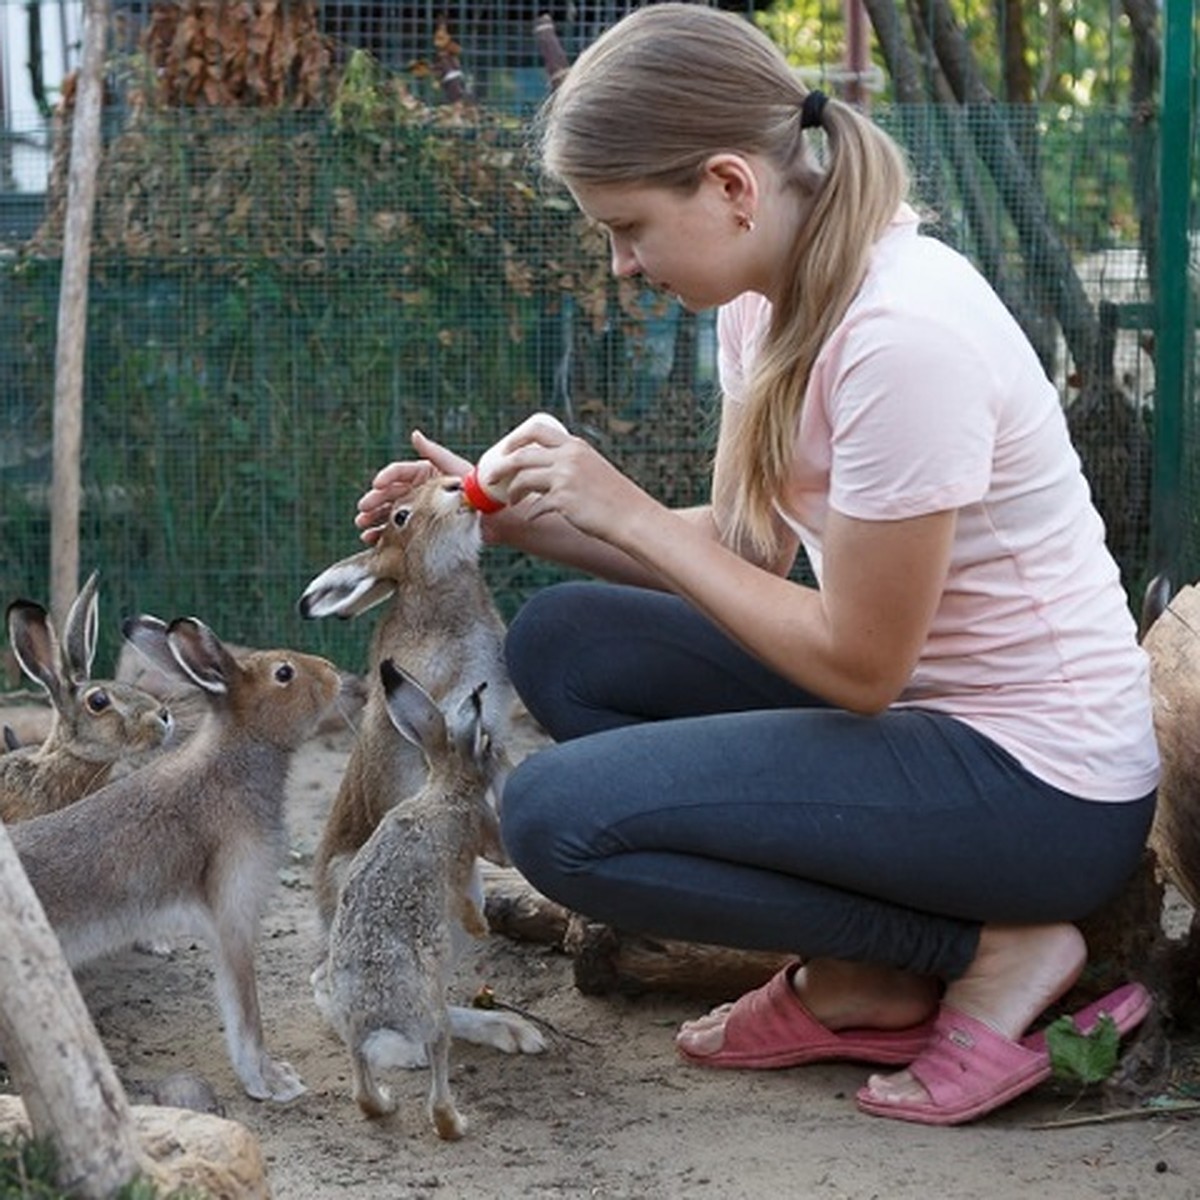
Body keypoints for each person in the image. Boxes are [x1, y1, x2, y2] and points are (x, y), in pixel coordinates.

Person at [354, 2, 1159, 1126]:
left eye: (629, 227)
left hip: (1038, 794)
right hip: (924, 721)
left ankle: (982, 946)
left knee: (551, 820)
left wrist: (626, 510)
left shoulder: (899, 336)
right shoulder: (769, 300)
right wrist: (519, 521)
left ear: (730, 186)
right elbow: (747, 549)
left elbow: (862, 668)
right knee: (567, 642)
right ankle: (864, 978)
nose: (623, 264)